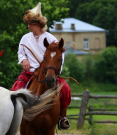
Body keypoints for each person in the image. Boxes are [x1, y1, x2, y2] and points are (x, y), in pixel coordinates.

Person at [10, 2, 71, 130]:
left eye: (31, 24)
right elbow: (20, 53)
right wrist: (23, 60)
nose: (28, 26)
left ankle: (62, 119)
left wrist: (55, 72)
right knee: (15, 90)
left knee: (65, 90)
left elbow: (60, 56)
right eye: (28, 24)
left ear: (39, 24)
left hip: (49, 73)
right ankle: (14, 117)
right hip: (29, 72)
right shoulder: (25, 38)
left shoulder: (51, 39)